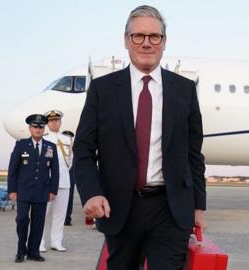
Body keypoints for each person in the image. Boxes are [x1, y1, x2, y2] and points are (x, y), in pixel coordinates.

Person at [73, 5, 206, 270]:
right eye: (138, 36)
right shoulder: (103, 90)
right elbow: (84, 150)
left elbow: (194, 154)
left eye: (154, 36)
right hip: (120, 208)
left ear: (164, 42)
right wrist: (91, 193)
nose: (147, 43)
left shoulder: (185, 90)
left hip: (170, 209)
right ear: (126, 40)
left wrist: (198, 205)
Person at [7, 114, 59, 263]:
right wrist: (12, 190)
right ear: (30, 128)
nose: (38, 129)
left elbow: (54, 171)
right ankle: (20, 250)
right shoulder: (21, 145)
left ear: (44, 129)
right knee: (22, 220)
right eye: (35, 127)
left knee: (38, 223)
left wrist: (52, 190)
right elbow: (13, 169)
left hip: (42, 192)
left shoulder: (51, 147)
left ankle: (33, 252)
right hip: (23, 191)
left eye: (41, 127)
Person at [39, 110, 72, 252]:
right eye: (51, 120)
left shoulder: (67, 139)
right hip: (47, 182)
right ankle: (38, 242)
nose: (54, 122)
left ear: (60, 122)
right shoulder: (43, 139)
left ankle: (56, 241)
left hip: (64, 181)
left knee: (60, 214)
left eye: (56, 120)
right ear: (47, 123)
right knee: (41, 214)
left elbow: (70, 161)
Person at [61, 130, 75, 226]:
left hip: (71, 176)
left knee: (69, 199)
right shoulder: (58, 148)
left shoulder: (75, 149)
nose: (67, 139)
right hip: (61, 176)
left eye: (69, 137)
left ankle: (67, 218)